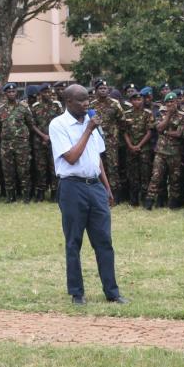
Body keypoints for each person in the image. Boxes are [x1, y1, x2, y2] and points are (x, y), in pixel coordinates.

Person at [49, 84, 127, 306]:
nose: (87, 104)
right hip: (72, 188)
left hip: (95, 187)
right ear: (69, 102)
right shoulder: (59, 125)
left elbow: (96, 157)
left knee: (104, 241)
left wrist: (107, 188)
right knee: (74, 241)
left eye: (87, 100)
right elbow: (72, 157)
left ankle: (112, 292)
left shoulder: (92, 123)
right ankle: (77, 293)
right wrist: (88, 130)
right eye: (82, 101)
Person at [0, 82, 34, 203]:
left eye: (13, 91)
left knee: (23, 170)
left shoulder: (23, 108)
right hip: (6, 145)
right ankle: (10, 196)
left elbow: (31, 124)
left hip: (21, 145)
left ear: (16, 93)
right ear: (5, 94)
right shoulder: (1, 109)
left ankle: (26, 196)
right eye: (9, 92)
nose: (11, 93)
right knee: (8, 171)